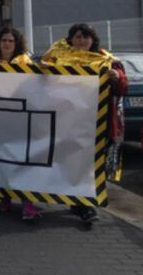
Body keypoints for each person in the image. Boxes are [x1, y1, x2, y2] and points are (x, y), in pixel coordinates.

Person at [41, 23, 128, 226]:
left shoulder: (107, 60)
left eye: (86, 36)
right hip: (68, 122)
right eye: (78, 36)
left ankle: (84, 203)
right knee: (72, 161)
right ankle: (80, 202)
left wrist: (117, 78)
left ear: (93, 40)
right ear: (70, 39)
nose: (82, 40)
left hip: (99, 121)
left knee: (91, 164)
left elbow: (122, 88)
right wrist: (44, 70)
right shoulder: (56, 58)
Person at [0, 27, 40, 220]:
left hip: (20, 120)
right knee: (1, 160)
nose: (7, 44)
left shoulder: (27, 63)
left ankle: (28, 204)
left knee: (23, 162)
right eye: (4, 40)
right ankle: (4, 197)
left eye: (11, 41)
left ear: (17, 44)